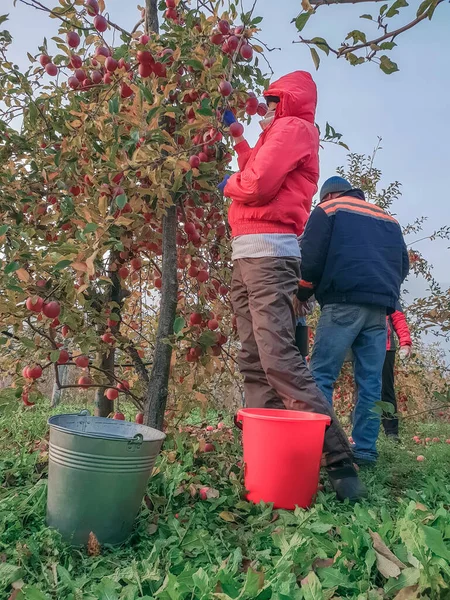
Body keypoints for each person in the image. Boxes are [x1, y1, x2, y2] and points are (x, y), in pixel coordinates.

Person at [222, 72, 366, 502]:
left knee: (279, 358)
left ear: (285, 101)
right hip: (246, 253)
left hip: (269, 254)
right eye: (263, 102)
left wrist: (225, 184)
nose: (264, 109)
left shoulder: (295, 128)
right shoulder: (277, 132)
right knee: (252, 358)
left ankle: (339, 461)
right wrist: (237, 135)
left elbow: (256, 184)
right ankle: (270, 461)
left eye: (270, 101)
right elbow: (256, 169)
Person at [297, 175, 410, 466]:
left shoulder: (328, 211)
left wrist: (303, 291)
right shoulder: (388, 219)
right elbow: (403, 264)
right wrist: (385, 291)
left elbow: (310, 256)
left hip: (342, 302)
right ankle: (365, 452)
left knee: (321, 375)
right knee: (370, 382)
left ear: (328, 196)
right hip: (378, 309)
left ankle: (325, 448)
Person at [382, 304, 412, 440]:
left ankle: (391, 432)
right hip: (363, 347)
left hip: (386, 347)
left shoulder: (388, 290)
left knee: (386, 389)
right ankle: (362, 431)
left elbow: (398, 317)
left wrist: (405, 342)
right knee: (362, 388)